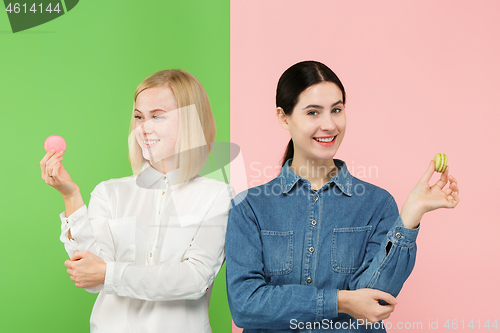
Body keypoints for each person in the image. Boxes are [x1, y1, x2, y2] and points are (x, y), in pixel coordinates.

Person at [225, 60, 459, 332]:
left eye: (337, 110)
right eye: (313, 112)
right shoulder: (250, 207)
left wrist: (410, 216)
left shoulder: (377, 204)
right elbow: (245, 306)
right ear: (283, 117)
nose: (329, 125)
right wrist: (340, 301)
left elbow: (375, 300)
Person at [40, 69, 233, 333]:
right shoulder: (109, 192)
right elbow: (91, 277)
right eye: (139, 117)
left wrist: (110, 273)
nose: (144, 128)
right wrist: (70, 195)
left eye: (157, 116)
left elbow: (194, 279)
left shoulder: (217, 196)